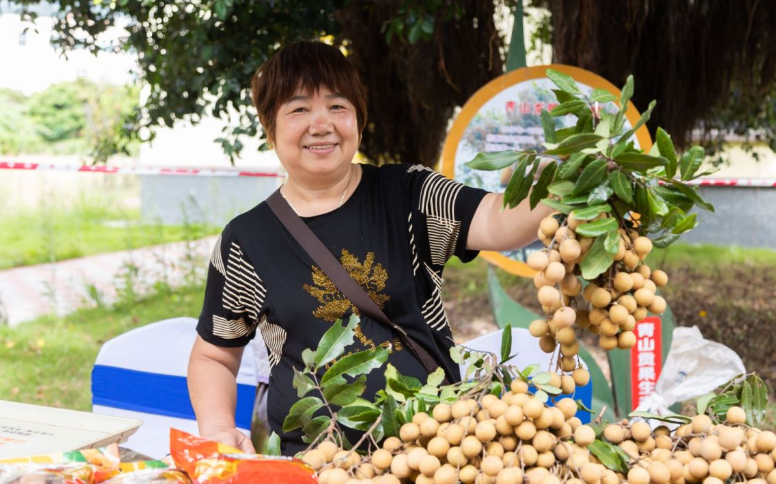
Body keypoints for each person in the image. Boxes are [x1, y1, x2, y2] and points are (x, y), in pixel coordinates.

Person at [187, 40, 554, 456]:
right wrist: (217, 427)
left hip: (438, 451)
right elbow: (214, 355)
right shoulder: (246, 241)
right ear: (270, 129)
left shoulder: (408, 192)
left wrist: (556, 187)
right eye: (299, 109)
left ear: (359, 120)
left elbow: (496, 220)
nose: (321, 123)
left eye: (338, 106)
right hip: (316, 464)